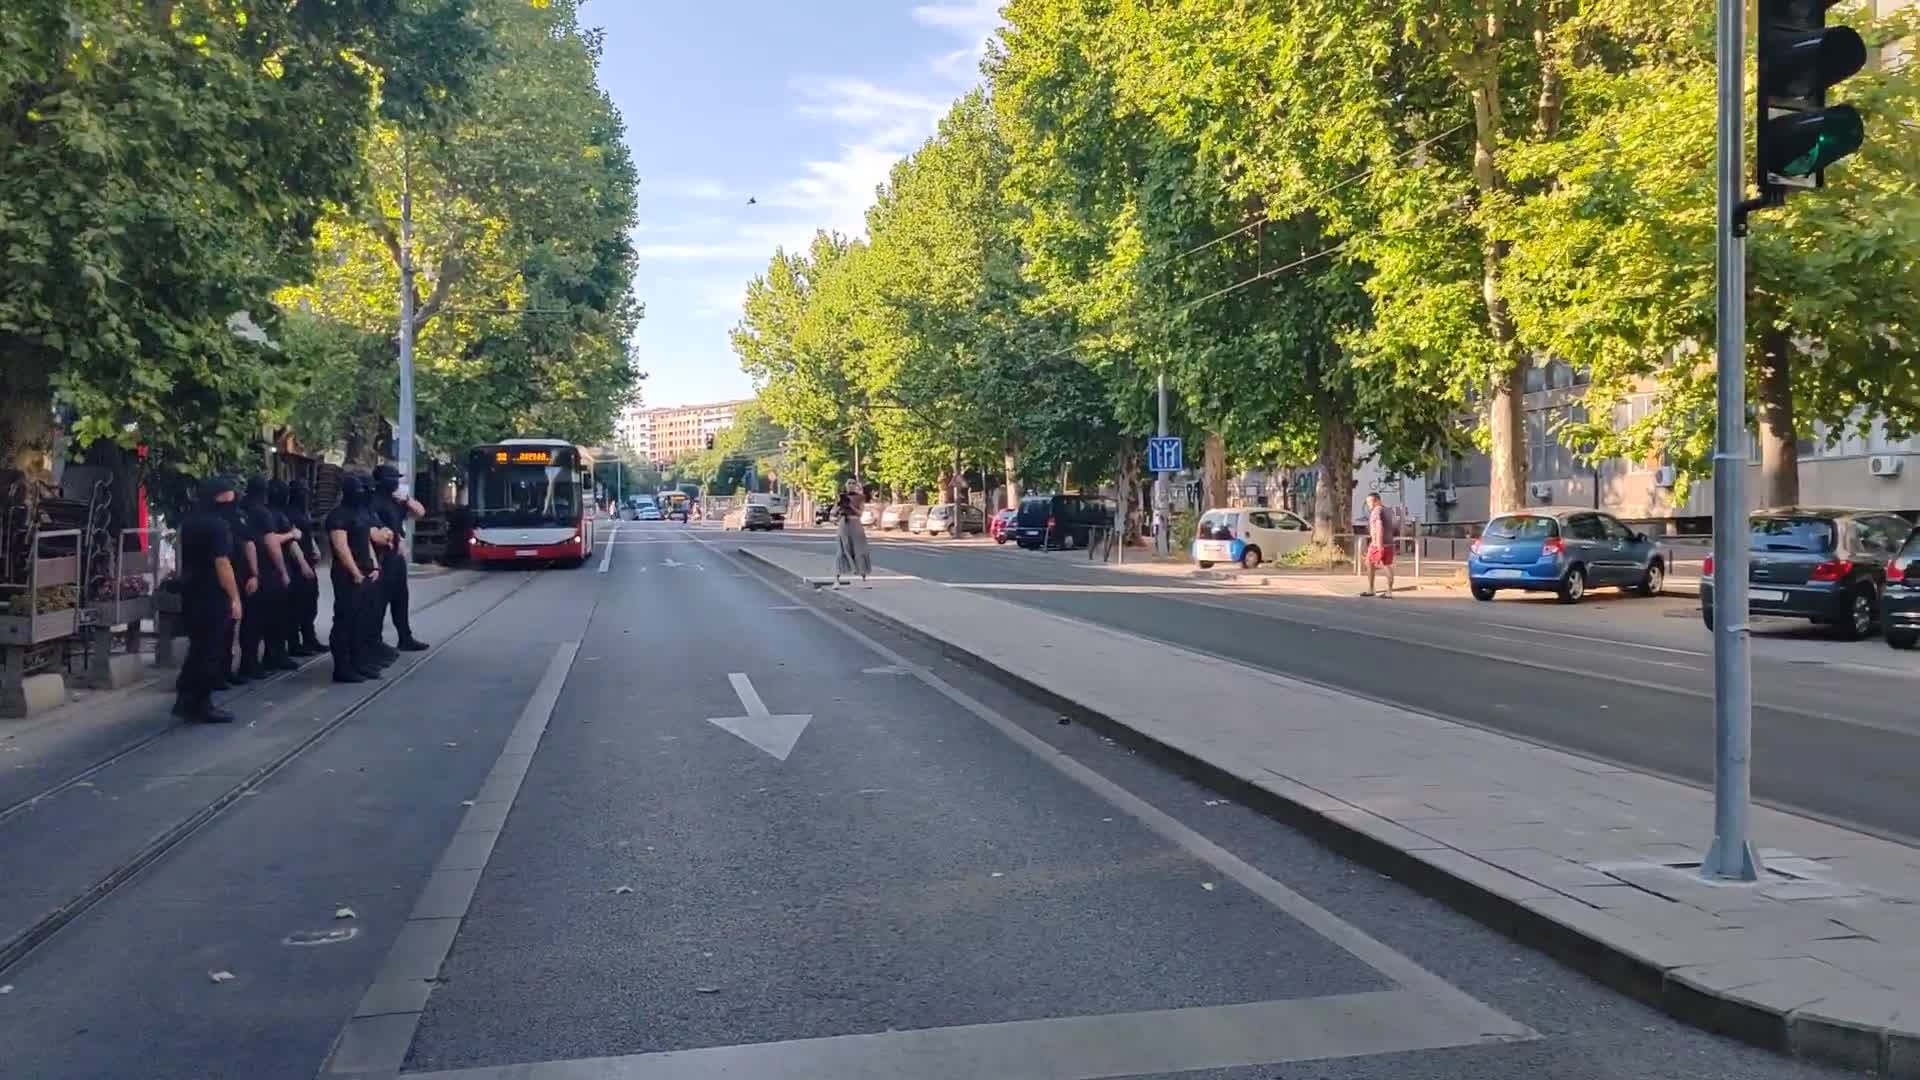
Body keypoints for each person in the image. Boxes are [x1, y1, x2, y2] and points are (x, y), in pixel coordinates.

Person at [174, 478, 245, 722]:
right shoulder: (218, 526)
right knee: (210, 649)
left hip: (191, 590)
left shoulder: (189, 522)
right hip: (212, 593)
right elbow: (222, 563)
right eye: (228, 495)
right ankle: (201, 703)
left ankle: (186, 698)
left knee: (198, 647)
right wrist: (235, 598)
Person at [326, 474, 384, 683]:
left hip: (365, 570)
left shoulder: (360, 512)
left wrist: (374, 565)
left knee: (361, 620)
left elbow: (366, 541)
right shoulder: (338, 516)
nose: (360, 494)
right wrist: (355, 572)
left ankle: (358, 662)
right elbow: (341, 548)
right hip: (347, 574)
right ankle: (342, 667)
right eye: (356, 490)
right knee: (345, 620)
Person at [239, 476, 299, 673]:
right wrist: (283, 571)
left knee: (251, 619)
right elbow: (271, 543)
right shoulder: (262, 512)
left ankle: (251, 660)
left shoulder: (241, 509)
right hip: (266, 570)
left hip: (245, 569)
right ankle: (270, 657)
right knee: (272, 616)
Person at [371, 464, 429, 652]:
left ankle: (405, 637)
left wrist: (407, 499)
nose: (396, 482)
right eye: (393, 479)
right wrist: (393, 541)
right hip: (382, 556)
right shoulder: (373, 502)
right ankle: (375, 640)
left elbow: (420, 512)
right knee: (380, 600)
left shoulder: (396, 501)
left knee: (401, 598)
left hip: (396, 557)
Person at [218, 476, 261, 683]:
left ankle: (223, 671)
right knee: (233, 625)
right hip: (234, 574)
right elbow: (249, 544)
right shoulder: (238, 516)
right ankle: (228, 670)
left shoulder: (215, 517)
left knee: (226, 627)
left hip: (229, 576)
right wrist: (254, 573)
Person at [282, 479, 325, 655]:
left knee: (310, 602)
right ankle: (294, 643)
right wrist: (303, 564)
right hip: (296, 564)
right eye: (302, 491)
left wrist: (315, 548)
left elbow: (307, 533)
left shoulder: (303, 511)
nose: (305, 495)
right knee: (296, 605)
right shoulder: (288, 513)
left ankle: (309, 638)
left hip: (308, 560)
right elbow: (291, 541)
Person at [833, 481, 871, 587]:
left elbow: (860, 513)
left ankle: (863, 579)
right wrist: (840, 505)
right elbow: (834, 512)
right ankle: (837, 579)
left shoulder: (860, 498)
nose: (850, 486)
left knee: (860, 550)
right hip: (844, 524)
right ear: (846, 486)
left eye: (852, 484)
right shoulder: (842, 497)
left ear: (855, 486)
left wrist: (850, 505)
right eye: (848, 484)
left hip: (855, 524)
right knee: (841, 551)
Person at [1363, 492, 1396, 598]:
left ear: (1377, 501)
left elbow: (1379, 526)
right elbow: (1393, 526)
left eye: (1370, 501)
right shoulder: (1389, 510)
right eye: (1367, 502)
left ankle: (1371, 589)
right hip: (1389, 542)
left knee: (1369, 562)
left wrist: (1378, 544)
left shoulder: (1376, 510)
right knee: (1387, 565)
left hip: (1377, 543)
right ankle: (1389, 592)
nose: (1369, 504)